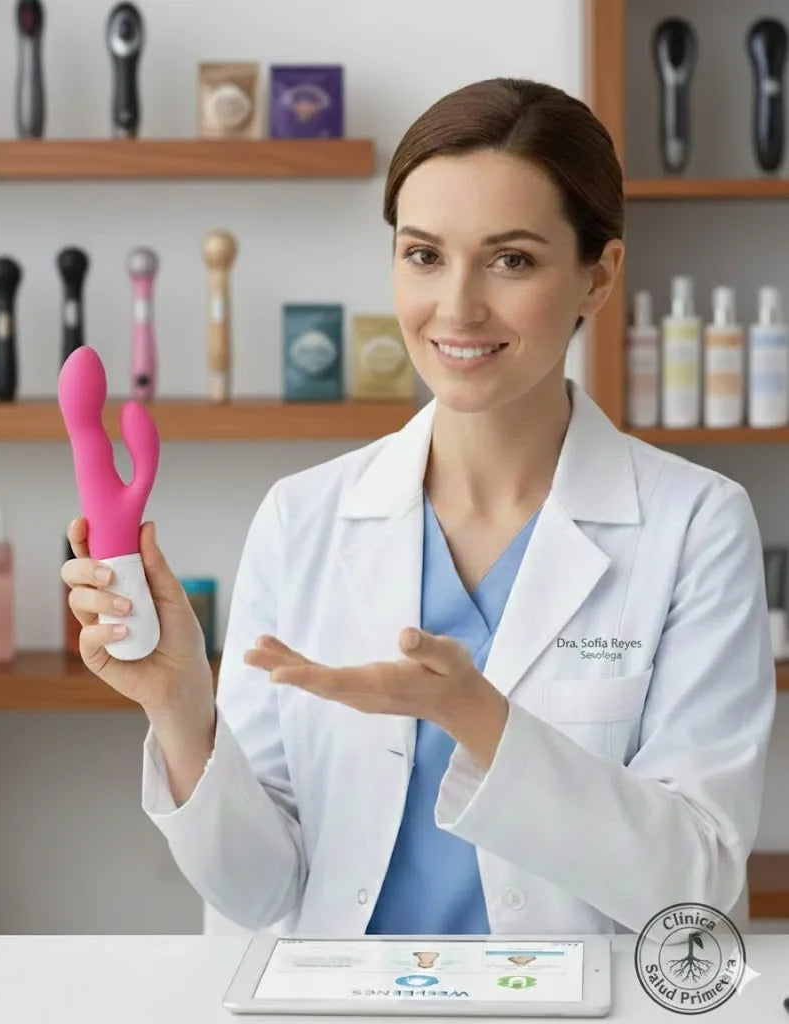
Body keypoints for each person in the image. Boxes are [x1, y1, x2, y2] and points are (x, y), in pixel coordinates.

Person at [61, 77, 776, 938]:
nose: (457, 307)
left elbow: (693, 889)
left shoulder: (695, 526)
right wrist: (181, 707)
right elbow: (257, 892)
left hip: (588, 996)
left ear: (599, 275)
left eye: (511, 260)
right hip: (337, 995)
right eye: (424, 255)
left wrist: (477, 717)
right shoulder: (302, 518)